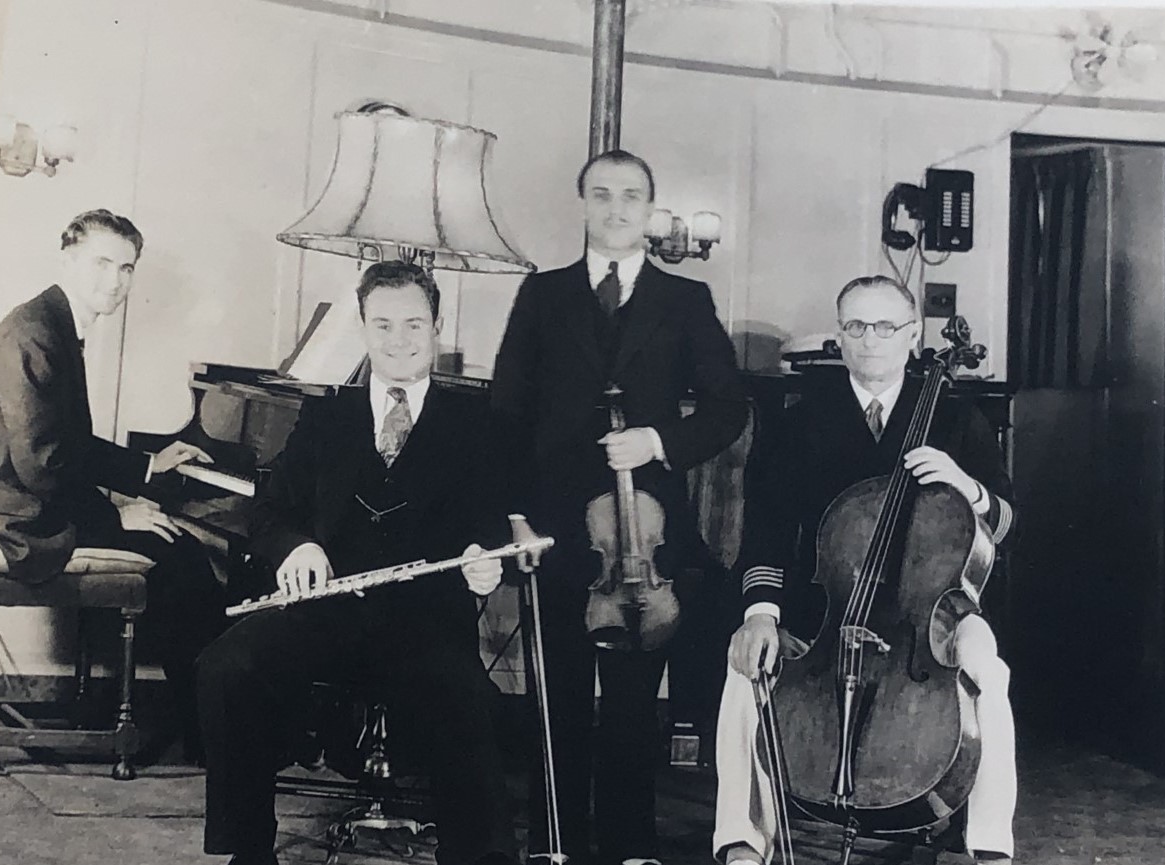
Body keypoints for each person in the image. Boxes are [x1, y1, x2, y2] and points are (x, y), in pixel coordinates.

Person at [196, 261, 516, 865]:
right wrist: (298, 546)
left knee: (469, 700)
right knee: (224, 667)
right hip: (324, 612)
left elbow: (487, 524)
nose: (399, 341)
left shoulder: (475, 424)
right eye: (384, 325)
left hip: (424, 623)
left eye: (414, 325)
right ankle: (249, 849)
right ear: (364, 328)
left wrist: (482, 559)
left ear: (437, 327)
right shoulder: (327, 416)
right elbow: (271, 512)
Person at [493, 149, 748, 865]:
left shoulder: (684, 299)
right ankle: (560, 845)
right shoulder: (542, 295)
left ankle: (633, 847)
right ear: (582, 203)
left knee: (635, 700)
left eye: (630, 196)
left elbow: (729, 408)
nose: (615, 208)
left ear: (649, 209)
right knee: (562, 695)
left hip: (643, 535)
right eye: (601, 194)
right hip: (555, 523)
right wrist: (515, 515)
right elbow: (506, 413)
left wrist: (659, 439)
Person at [714, 275, 1017, 865]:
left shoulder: (957, 420)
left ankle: (988, 846)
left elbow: (1004, 523)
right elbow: (767, 533)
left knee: (986, 664)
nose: (869, 340)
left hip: (930, 618)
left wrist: (966, 486)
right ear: (839, 338)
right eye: (855, 326)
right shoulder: (797, 422)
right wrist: (759, 615)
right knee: (745, 665)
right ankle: (742, 842)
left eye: (884, 326)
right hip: (826, 610)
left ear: (912, 335)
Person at [0, 208, 228, 763]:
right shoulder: (36, 332)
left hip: (11, 498)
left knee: (178, 551)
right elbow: (43, 464)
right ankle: (210, 730)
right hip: (8, 516)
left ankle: (189, 720)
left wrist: (145, 467)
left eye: (126, 269)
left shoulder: (52, 322)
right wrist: (115, 517)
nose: (114, 282)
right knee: (183, 557)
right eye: (102, 263)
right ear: (67, 257)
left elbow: (62, 443)